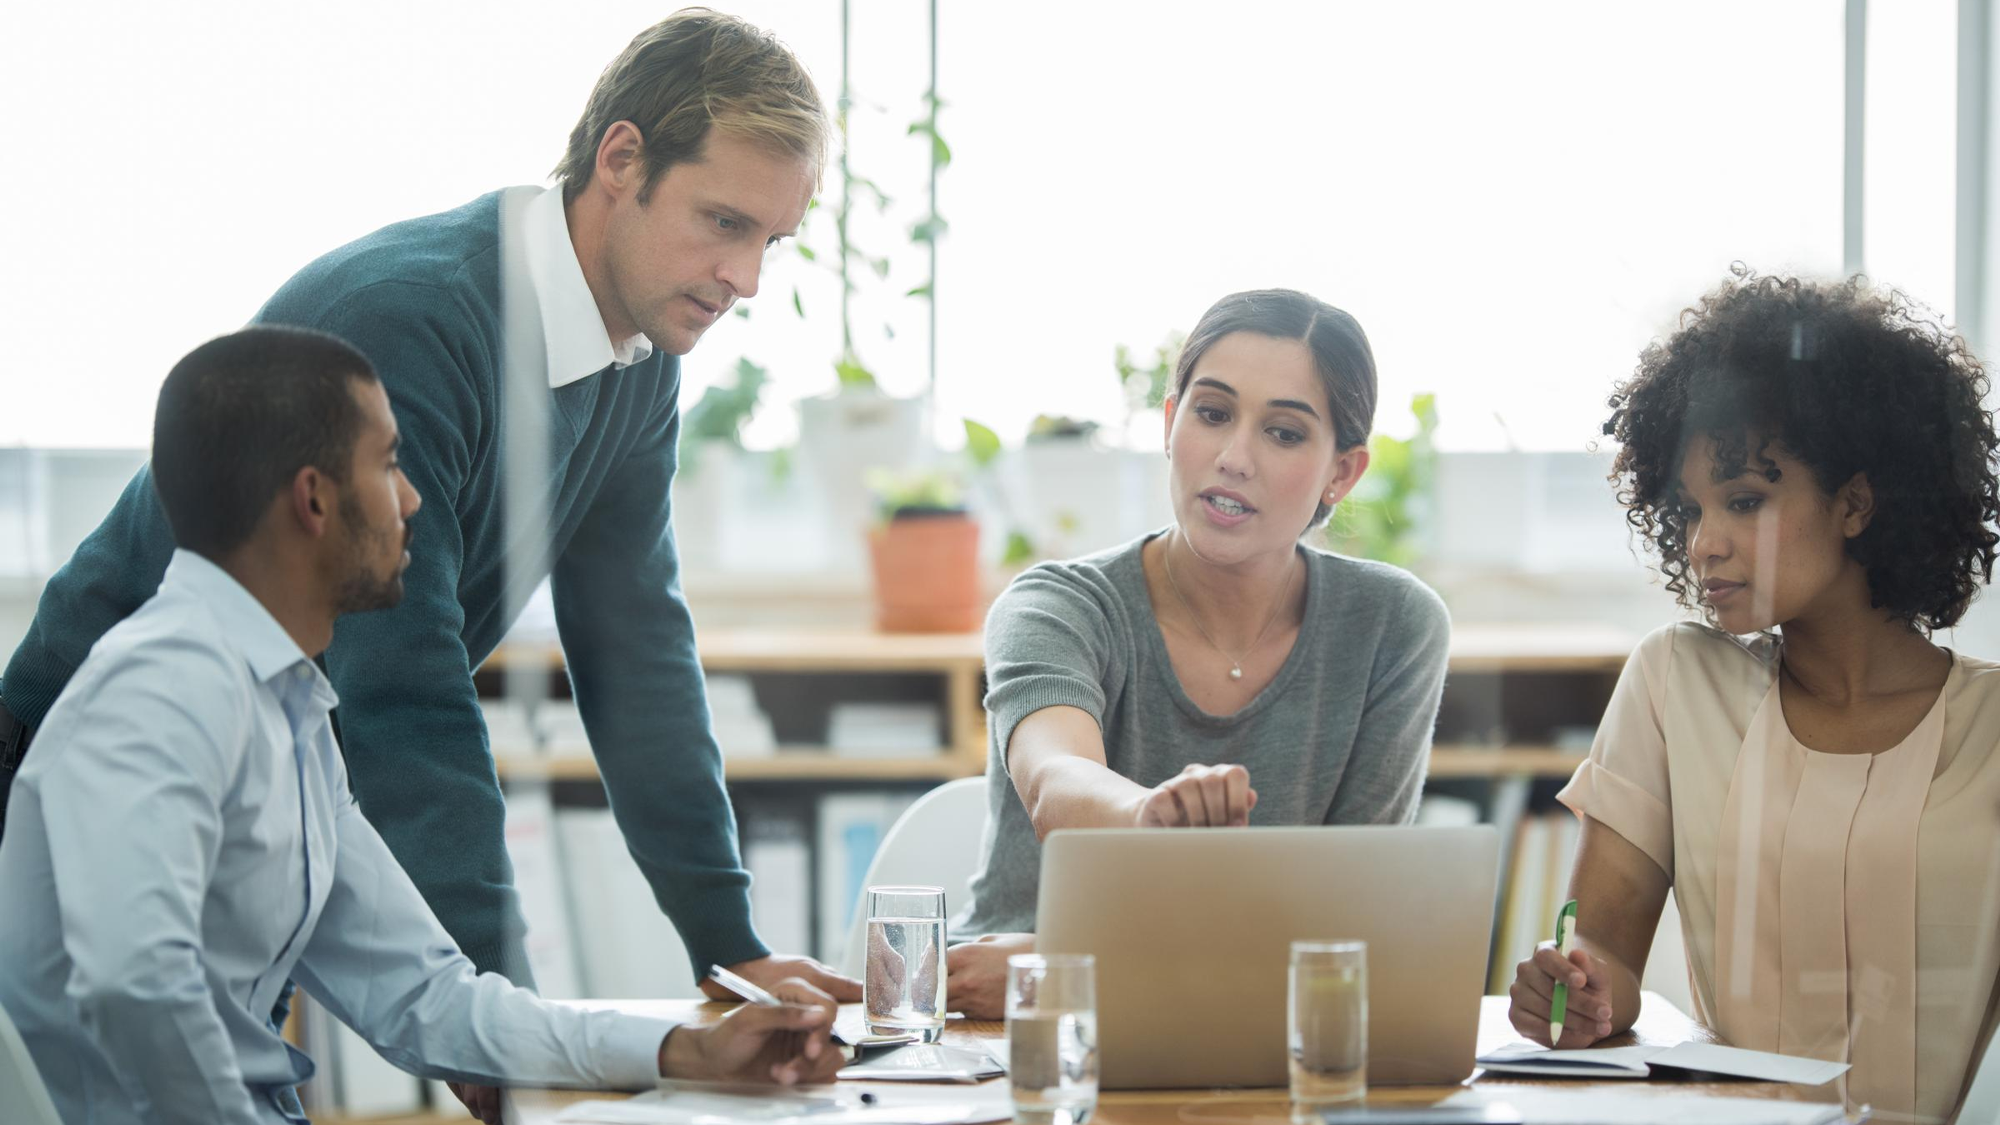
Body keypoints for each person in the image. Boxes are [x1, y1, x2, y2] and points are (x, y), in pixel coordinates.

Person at [0, 8, 854, 1008]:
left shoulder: (636, 362)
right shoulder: (411, 320)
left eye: (772, 240)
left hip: (255, 803)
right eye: (723, 222)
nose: (745, 279)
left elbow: (637, 652)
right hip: (87, 794)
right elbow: (402, 684)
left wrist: (727, 949)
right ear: (620, 159)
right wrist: (500, 1016)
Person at [0, 328, 843, 1125]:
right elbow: (134, 982)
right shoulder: (156, 694)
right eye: (390, 463)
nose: (413, 499)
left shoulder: (283, 705)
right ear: (314, 499)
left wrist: (688, 1048)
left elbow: (427, 996)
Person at [1506, 270, 2000, 1122]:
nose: (1704, 544)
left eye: (1744, 500)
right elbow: (1602, 946)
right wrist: (1577, 987)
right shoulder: (1673, 683)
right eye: (1692, 510)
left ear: (1855, 502)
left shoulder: (1991, 728)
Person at [944, 289, 1452, 1019]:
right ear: (1170, 421)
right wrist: (1149, 817)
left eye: (1282, 432)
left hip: (1239, 1017)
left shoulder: (1394, 626)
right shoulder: (1055, 605)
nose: (1233, 457)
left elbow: (1348, 921)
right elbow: (1057, 784)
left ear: (1342, 472)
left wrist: (1084, 968)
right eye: (1212, 414)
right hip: (1016, 1014)